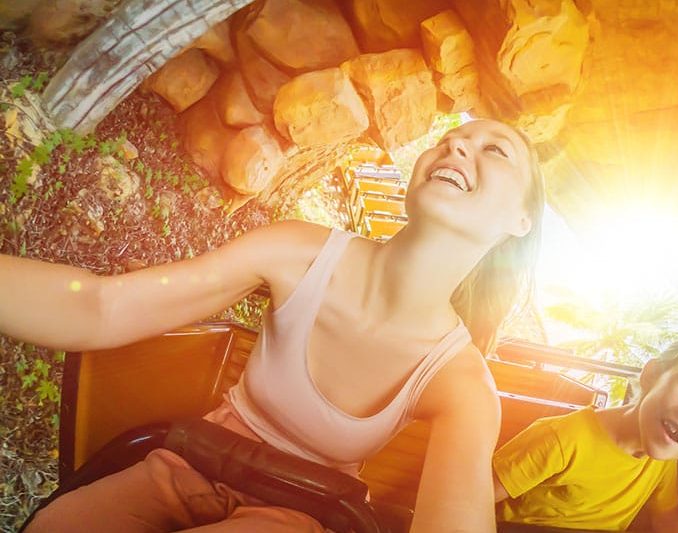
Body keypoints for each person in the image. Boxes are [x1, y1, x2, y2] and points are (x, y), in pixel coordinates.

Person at [2, 118, 545, 533]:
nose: (455, 147)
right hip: (190, 461)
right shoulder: (297, 250)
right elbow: (100, 307)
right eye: (451, 138)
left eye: (494, 149)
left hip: (296, 511)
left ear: (521, 221)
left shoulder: (462, 386)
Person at [493, 332, 678, 533]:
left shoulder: (662, 460)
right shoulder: (564, 438)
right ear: (652, 375)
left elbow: (666, 517)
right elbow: (475, 497)